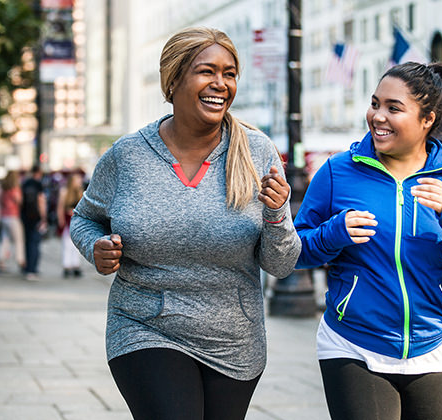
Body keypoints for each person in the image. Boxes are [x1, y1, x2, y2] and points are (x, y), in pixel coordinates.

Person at [70, 27, 300, 420]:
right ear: (173, 80)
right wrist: (96, 247)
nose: (220, 84)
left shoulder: (256, 152)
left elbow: (281, 265)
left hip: (233, 342)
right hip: (144, 327)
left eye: (230, 74)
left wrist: (278, 215)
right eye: (206, 71)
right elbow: (84, 218)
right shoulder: (127, 156)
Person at [294, 62, 442, 420]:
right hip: (353, 344)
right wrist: (332, 234)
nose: (377, 116)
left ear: (427, 120)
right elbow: (292, 254)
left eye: (393, 108)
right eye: (375, 104)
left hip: (431, 349)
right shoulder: (337, 173)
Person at [0, 171, 25, 274]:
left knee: (5, 240)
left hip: (4, 216)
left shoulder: (3, 190)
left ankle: (1, 261)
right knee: (19, 240)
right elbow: (19, 201)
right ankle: (20, 261)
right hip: (13, 216)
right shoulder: (15, 190)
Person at [20, 166, 47, 280]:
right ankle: (32, 269)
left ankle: (27, 267)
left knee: (27, 242)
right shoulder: (38, 184)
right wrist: (44, 217)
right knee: (34, 243)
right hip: (36, 217)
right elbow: (41, 201)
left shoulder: (25, 183)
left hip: (25, 217)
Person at [56, 172, 84, 278]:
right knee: (67, 244)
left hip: (76, 221)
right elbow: (60, 207)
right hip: (67, 220)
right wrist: (61, 220)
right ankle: (67, 265)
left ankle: (75, 265)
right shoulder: (64, 192)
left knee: (76, 245)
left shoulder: (80, 192)